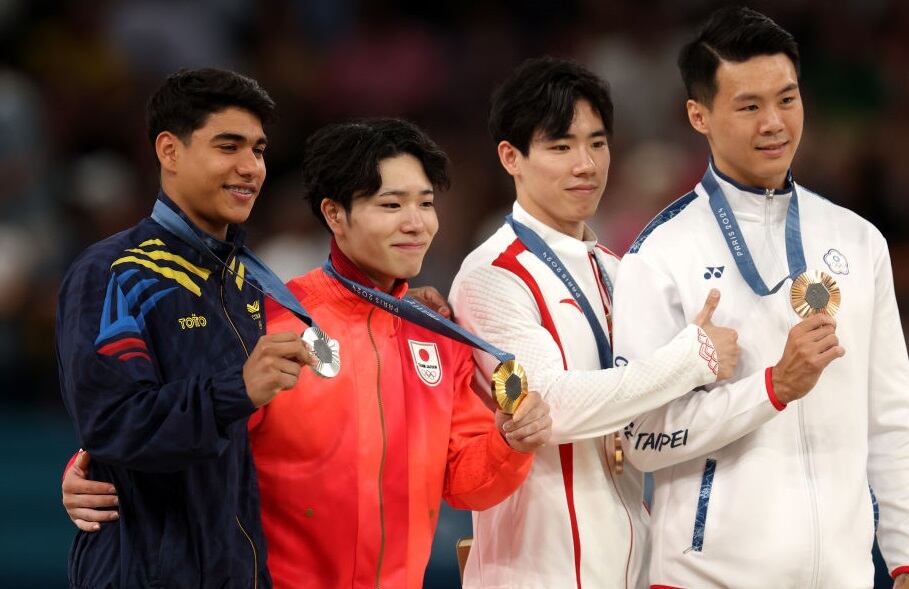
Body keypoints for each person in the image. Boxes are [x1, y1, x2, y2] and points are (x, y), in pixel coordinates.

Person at [63, 117, 553, 588]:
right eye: (390, 205)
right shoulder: (267, 318)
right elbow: (193, 426)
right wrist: (90, 462)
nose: (415, 224)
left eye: (425, 204)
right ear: (334, 214)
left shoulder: (440, 337)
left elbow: (464, 483)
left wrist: (508, 444)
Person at [612, 7, 909, 589]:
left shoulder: (856, 239)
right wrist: (772, 388)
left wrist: (903, 558)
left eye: (788, 99)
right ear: (698, 115)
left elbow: (890, 418)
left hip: (844, 577)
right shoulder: (659, 255)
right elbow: (641, 439)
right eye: (749, 106)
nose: (774, 122)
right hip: (708, 578)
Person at [448, 56, 740, 588]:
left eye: (597, 143)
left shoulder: (615, 270)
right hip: (536, 574)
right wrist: (692, 358)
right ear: (511, 157)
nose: (586, 164)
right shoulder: (492, 276)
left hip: (632, 562)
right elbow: (549, 409)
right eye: (560, 147)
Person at [56, 68, 315, 588]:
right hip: (143, 572)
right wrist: (235, 390)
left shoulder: (245, 279)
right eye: (228, 146)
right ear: (169, 151)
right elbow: (113, 423)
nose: (250, 168)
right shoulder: (116, 273)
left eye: (259, 151)